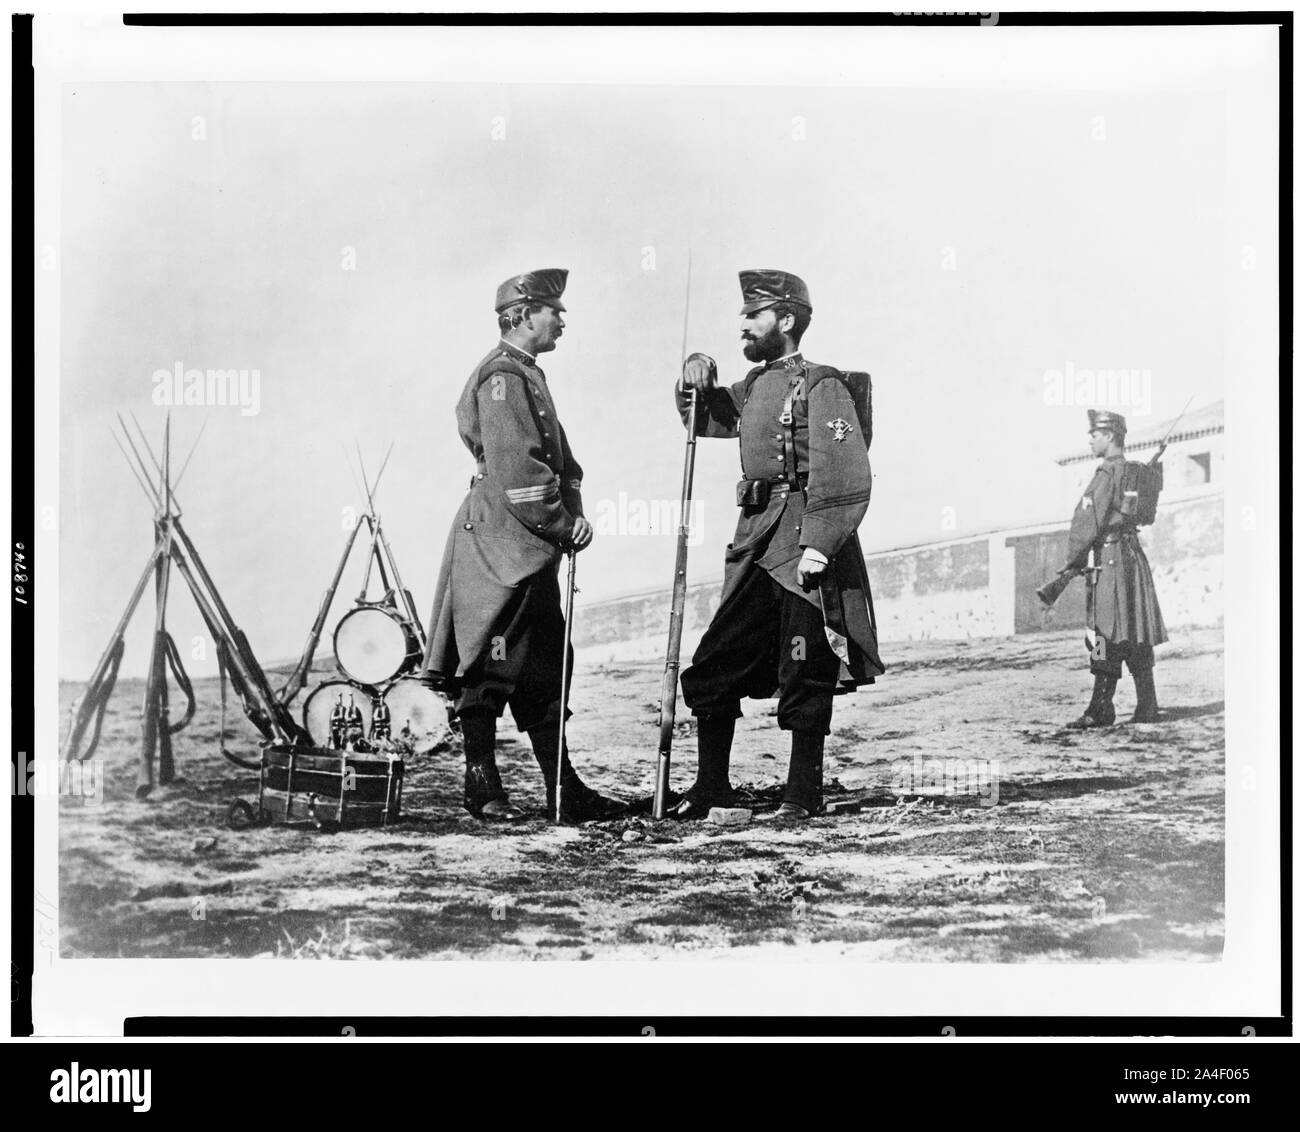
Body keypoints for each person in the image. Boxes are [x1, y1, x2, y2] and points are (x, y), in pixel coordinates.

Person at [669, 269, 885, 821]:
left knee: (805, 664)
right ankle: (712, 786)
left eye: (753, 315)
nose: (743, 325)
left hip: (802, 544)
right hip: (755, 542)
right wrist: (694, 375)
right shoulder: (756, 386)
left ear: (785, 321)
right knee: (715, 661)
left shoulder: (822, 384)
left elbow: (844, 470)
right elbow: (707, 416)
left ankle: (801, 794)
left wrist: (820, 543)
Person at [421, 269, 626, 822]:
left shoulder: (524, 374)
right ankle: (482, 788)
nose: (562, 319)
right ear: (524, 312)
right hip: (502, 542)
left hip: (523, 542)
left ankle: (565, 790)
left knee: (541, 662)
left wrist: (568, 513)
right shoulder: (503, 378)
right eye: (553, 309)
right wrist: (564, 524)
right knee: (492, 658)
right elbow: (519, 471)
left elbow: (561, 462)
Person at [1057, 409, 1167, 727]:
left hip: (1109, 559)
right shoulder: (1138, 473)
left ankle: (1100, 708)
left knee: (1103, 632)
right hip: (1133, 559)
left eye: (1095, 434)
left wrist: (1071, 563)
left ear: (1110, 436)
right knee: (1135, 630)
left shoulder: (1106, 474)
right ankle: (1147, 705)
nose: (1091, 439)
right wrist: (1151, 472)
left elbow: (1086, 523)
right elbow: (1146, 515)